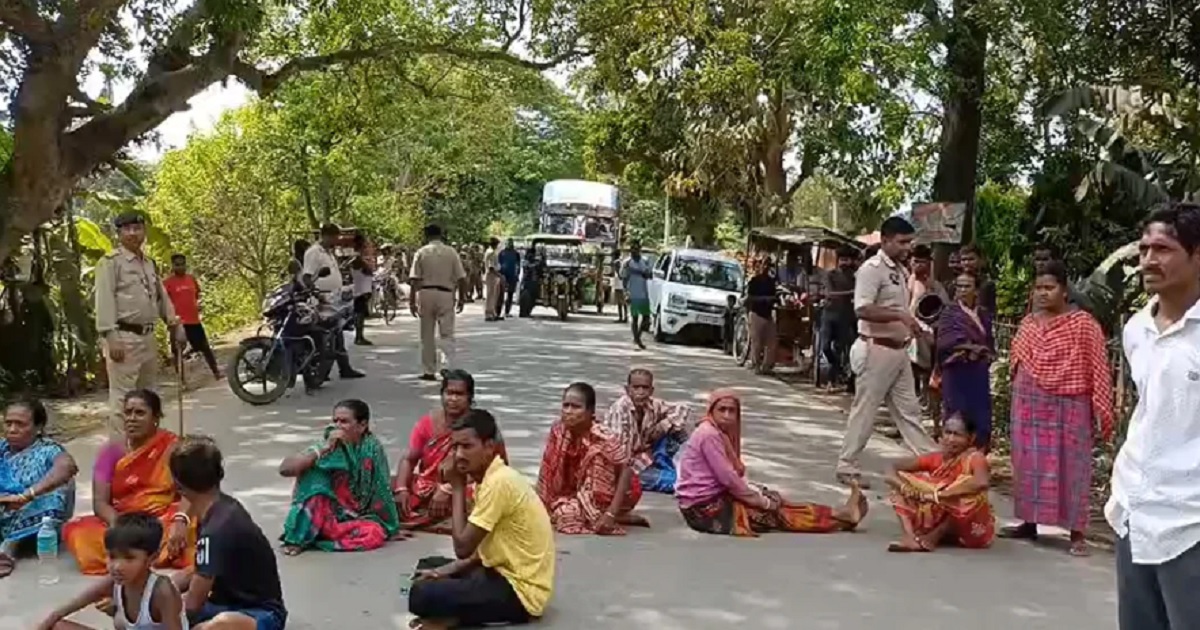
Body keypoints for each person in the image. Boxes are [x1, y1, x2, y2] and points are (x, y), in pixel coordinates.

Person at [1106, 203, 1200, 629]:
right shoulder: (1136, 329)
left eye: (1162, 249)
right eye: (1143, 249)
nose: (1147, 260)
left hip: (1191, 521)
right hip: (1134, 510)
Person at [1000, 260, 1112, 557]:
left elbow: (1099, 367)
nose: (1042, 294)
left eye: (1049, 288)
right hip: (1030, 404)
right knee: (1028, 462)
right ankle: (1028, 522)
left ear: (1064, 291)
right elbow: (1017, 358)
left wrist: (1102, 409)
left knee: (1072, 465)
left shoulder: (1084, 324)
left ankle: (1076, 533)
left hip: (1071, 404)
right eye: (1038, 288)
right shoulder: (1029, 323)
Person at [407, 409, 554, 629]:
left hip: (520, 592)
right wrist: (448, 570)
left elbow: (463, 547)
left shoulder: (499, 482)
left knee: (421, 594)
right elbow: (480, 546)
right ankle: (457, 612)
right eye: (455, 447)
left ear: (489, 447)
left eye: (467, 446)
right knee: (428, 567)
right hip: (497, 568)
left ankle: (457, 618)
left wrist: (457, 486)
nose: (458, 455)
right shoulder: (487, 478)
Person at [676, 389, 866, 536]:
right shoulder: (709, 435)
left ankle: (838, 514)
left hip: (711, 499)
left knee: (774, 498)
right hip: (703, 510)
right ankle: (842, 518)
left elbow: (732, 476)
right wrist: (761, 501)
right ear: (711, 410)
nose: (727, 415)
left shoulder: (716, 432)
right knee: (776, 513)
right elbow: (728, 478)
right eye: (722, 409)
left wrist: (758, 495)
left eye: (731, 410)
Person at [837, 216, 937, 487]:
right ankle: (847, 464)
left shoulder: (902, 272)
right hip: (875, 349)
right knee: (866, 410)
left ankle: (935, 464)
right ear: (885, 240)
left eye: (910, 242)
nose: (908, 248)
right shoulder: (872, 269)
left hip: (899, 351)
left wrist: (912, 324)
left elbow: (902, 311)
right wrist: (898, 317)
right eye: (902, 242)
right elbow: (863, 308)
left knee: (910, 412)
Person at [64, 390, 194, 576]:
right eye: (128, 412)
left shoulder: (172, 446)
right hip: (124, 520)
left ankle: (130, 555)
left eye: (140, 413)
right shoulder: (110, 452)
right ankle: (148, 553)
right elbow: (100, 503)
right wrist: (120, 526)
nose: (132, 418)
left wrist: (181, 520)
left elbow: (190, 490)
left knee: (196, 522)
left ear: (156, 417)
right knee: (78, 532)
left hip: (163, 518)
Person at [169, 436, 286, 630]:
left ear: (178, 485)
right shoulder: (225, 507)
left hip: (261, 614)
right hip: (225, 604)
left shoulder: (215, 530)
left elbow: (193, 605)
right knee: (165, 591)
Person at [95, 211, 186, 438]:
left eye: (137, 228)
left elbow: (160, 297)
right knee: (123, 399)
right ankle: (121, 453)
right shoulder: (110, 263)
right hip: (123, 337)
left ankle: (146, 447)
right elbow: (104, 299)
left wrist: (175, 324)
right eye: (127, 229)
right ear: (119, 233)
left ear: (144, 231)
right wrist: (110, 334)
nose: (133, 233)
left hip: (147, 336)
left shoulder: (149, 263)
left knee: (148, 395)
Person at [279, 399, 400, 554]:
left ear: (362, 426)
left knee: (374, 533)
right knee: (315, 480)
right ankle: (303, 535)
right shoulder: (328, 445)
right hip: (326, 511)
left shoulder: (372, 448)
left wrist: (391, 525)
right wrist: (323, 448)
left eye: (344, 422)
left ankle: (320, 537)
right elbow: (285, 469)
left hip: (353, 514)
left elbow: (381, 486)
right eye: (335, 421)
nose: (337, 426)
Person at [393, 370, 507, 531]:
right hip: (429, 487)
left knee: (484, 499)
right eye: (449, 393)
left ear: (470, 398)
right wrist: (401, 489)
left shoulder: (482, 425)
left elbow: (498, 467)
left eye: (459, 394)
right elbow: (409, 459)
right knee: (389, 490)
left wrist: (448, 488)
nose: (453, 399)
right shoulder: (428, 423)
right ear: (442, 395)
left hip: (468, 485)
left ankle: (456, 519)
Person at [39, 513, 189, 630]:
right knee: (57, 626)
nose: (117, 566)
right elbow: (60, 612)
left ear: (152, 558)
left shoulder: (162, 592)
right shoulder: (114, 582)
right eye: (112, 557)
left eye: (129, 559)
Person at [536, 383, 647, 535]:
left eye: (576, 407)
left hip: (616, 493)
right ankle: (595, 512)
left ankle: (607, 513)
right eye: (565, 406)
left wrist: (611, 514)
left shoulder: (603, 437)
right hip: (574, 492)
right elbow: (548, 468)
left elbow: (626, 470)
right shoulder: (558, 430)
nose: (569, 412)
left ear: (590, 412)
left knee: (567, 515)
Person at [884, 411, 993, 552]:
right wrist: (905, 488)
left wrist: (940, 495)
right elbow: (891, 468)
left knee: (966, 488)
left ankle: (935, 536)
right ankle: (909, 537)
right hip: (936, 519)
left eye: (957, 435)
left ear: (971, 438)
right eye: (948, 433)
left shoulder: (975, 458)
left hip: (970, 529)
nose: (950, 439)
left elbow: (981, 483)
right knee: (900, 483)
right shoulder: (936, 458)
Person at [0, 398, 78, 578]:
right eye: (8, 423)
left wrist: (27, 495)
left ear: (38, 428)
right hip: (4, 509)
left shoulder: (48, 449)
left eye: (20, 424)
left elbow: (67, 467)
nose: (12, 430)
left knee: (58, 488)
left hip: (37, 523)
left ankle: (10, 547)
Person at [603, 369, 691, 493]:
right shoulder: (620, 410)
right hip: (626, 470)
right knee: (679, 483)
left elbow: (682, 408)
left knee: (677, 431)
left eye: (645, 388)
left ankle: (692, 466)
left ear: (651, 391)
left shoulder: (651, 404)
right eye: (636, 388)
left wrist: (662, 426)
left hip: (646, 456)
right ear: (627, 390)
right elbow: (620, 458)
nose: (641, 392)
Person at [936, 273, 996, 450]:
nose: (962, 290)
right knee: (956, 413)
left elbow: (989, 341)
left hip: (977, 372)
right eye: (959, 286)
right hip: (956, 372)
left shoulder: (983, 314)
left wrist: (985, 353)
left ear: (976, 290)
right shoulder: (949, 313)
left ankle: (977, 455)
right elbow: (944, 342)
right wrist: (969, 348)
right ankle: (952, 458)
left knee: (979, 414)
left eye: (967, 286)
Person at [302, 223, 365, 380]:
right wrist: (316, 294)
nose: (337, 240)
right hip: (321, 299)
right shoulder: (314, 252)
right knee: (324, 335)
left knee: (336, 333)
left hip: (333, 298)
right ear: (327, 235)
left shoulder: (329, 253)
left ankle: (340, 368)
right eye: (335, 237)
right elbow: (307, 277)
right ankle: (321, 368)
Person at [410, 224, 468, 381]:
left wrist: (412, 301)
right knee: (447, 334)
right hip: (445, 294)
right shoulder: (451, 252)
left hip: (426, 293)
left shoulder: (421, 252)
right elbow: (462, 278)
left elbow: (414, 279)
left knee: (427, 335)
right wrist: (462, 298)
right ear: (441, 234)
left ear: (426, 235)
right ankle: (447, 369)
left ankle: (429, 371)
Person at [163, 254, 222, 380]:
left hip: (194, 320)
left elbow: (196, 295)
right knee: (177, 352)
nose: (181, 267)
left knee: (205, 347)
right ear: (173, 266)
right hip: (178, 322)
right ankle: (182, 381)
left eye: (183, 264)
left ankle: (216, 372)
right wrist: (169, 320)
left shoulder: (191, 279)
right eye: (177, 264)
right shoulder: (167, 283)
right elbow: (163, 302)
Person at [819, 247, 858, 388]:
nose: (845, 263)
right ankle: (837, 368)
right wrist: (852, 292)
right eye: (842, 260)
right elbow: (830, 293)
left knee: (839, 348)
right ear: (838, 261)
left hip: (846, 316)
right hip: (829, 314)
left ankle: (831, 380)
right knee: (825, 347)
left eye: (847, 260)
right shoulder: (830, 275)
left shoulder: (855, 277)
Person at [620, 241, 653, 349]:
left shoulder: (645, 261)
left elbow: (649, 275)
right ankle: (637, 340)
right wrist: (626, 292)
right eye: (632, 249)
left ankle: (637, 336)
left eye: (636, 249)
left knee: (646, 319)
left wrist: (644, 274)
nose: (634, 251)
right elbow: (623, 278)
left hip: (644, 293)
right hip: (633, 293)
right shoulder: (627, 262)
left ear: (639, 249)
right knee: (634, 318)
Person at [349, 234, 375, 346]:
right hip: (361, 289)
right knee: (359, 313)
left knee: (361, 313)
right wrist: (367, 266)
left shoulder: (359, 257)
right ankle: (358, 336)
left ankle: (360, 336)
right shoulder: (357, 257)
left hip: (363, 288)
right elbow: (367, 270)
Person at [958, 244, 997, 313]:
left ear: (981, 260)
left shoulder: (987, 284)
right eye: (963, 260)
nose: (966, 263)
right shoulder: (955, 283)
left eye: (971, 259)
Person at [498, 239, 521, 318]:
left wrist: (517, 275)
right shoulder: (503, 253)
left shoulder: (513, 253)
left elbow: (518, 265)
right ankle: (503, 312)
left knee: (506, 294)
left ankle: (503, 311)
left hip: (508, 276)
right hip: (505, 275)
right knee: (504, 294)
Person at [483, 238, 503, 321]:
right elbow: (491, 267)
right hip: (492, 275)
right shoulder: (491, 252)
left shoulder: (491, 251)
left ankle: (493, 313)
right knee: (490, 295)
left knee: (494, 295)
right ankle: (488, 314)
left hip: (493, 275)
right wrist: (499, 275)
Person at [608, 245, 627, 323]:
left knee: (620, 302)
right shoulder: (622, 261)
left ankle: (622, 317)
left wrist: (619, 275)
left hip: (619, 284)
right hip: (621, 284)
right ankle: (624, 317)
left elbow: (619, 273)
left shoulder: (617, 262)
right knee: (622, 302)